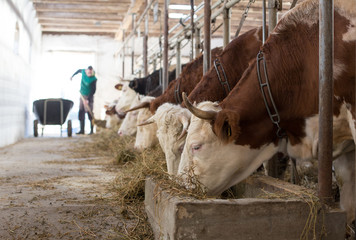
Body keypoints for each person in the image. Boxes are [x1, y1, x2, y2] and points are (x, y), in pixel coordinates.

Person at [70, 66, 97, 135]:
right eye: (88, 72)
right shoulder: (83, 72)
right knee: (81, 112)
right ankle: (82, 130)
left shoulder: (93, 79)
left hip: (89, 97)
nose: (89, 73)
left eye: (91, 72)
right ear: (86, 71)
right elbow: (78, 70)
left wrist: (88, 99)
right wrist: (72, 76)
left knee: (89, 112)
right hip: (82, 95)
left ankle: (91, 130)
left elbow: (93, 90)